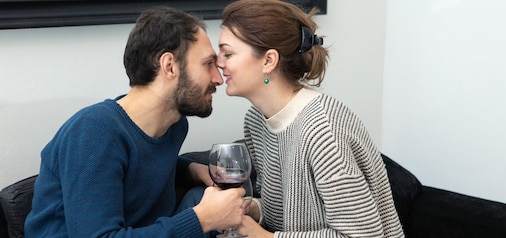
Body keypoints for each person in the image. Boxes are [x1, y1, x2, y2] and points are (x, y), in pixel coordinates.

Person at [24, 6, 246, 237]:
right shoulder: (94, 133)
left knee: (203, 197)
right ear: (169, 66)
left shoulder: (174, 126)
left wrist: (191, 169)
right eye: (207, 64)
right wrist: (203, 219)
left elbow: (143, 163)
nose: (218, 78)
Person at [215, 0, 405, 237]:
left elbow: (365, 235)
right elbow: (283, 214)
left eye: (228, 53)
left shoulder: (323, 130)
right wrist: (252, 209)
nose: (219, 62)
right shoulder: (255, 121)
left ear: (268, 61)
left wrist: (263, 237)